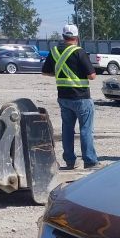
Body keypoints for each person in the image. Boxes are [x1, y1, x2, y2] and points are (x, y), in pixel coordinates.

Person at [41, 24, 98, 169]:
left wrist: (61, 72)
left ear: (63, 37)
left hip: (64, 97)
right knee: (86, 129)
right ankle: (90, 161)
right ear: (77, 37)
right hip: (81, 98)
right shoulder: (79, 52)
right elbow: (92, 76)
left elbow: (45, 72)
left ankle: (70, 161)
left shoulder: (54, 52)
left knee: (67, 129)